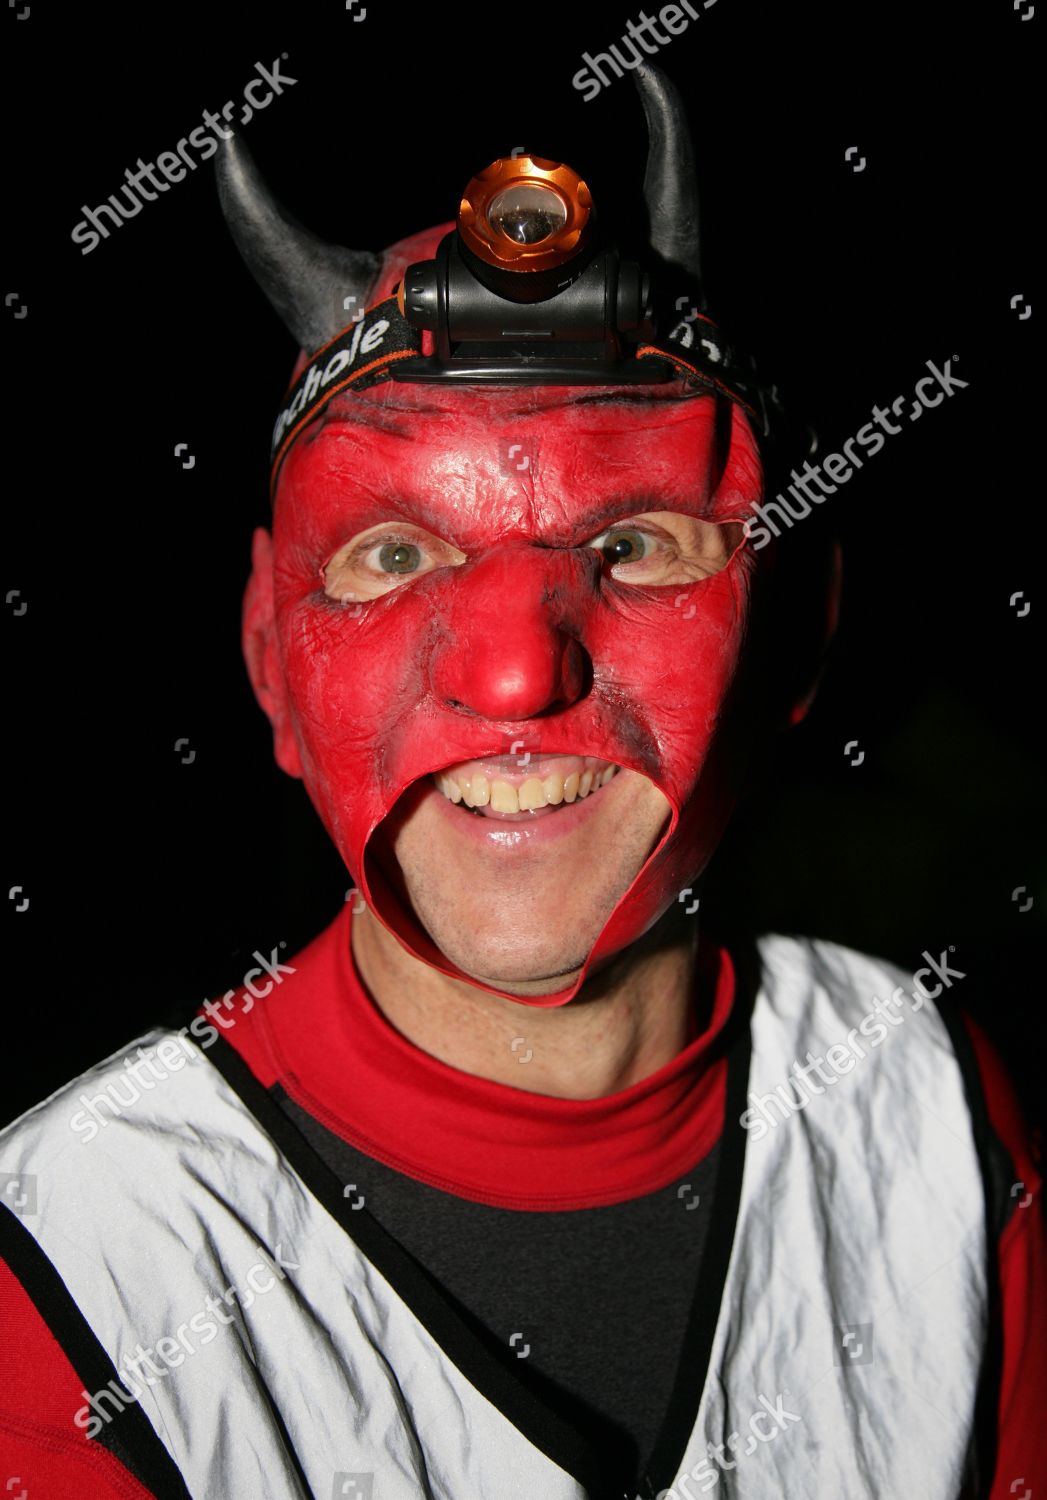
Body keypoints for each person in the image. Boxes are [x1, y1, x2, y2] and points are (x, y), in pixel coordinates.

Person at [1, 61, 1043, 1500]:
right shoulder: (67, 1266)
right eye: (393, 555)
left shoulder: (928, 1105)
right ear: (268, 654)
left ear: (797, 634)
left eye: (635, 547)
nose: (512, 678)